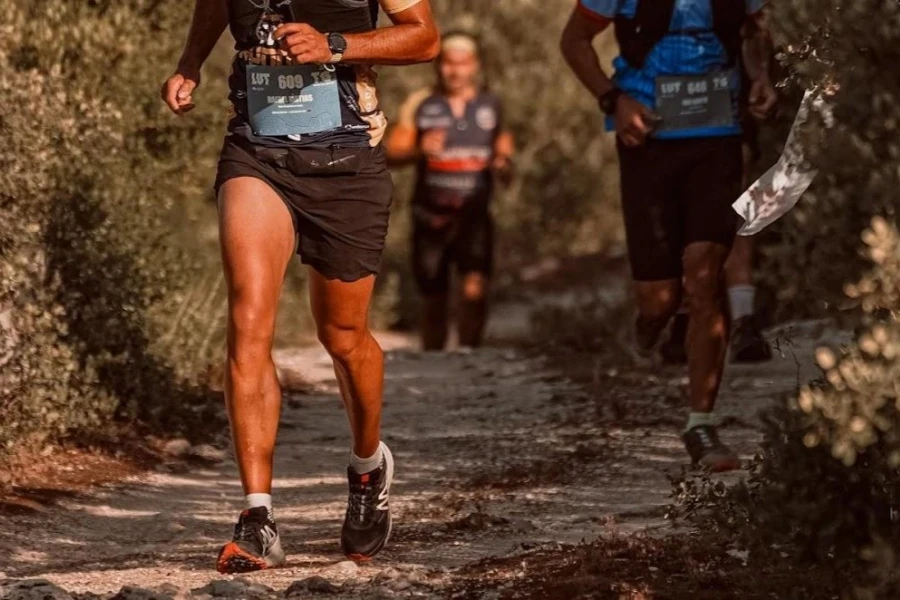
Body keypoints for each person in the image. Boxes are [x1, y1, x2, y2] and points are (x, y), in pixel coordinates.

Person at [162, 0, 439, 572]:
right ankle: (257, 517)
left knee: (342, 336)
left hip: (349, 164)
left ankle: (368, 466)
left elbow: (424, 38)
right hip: (257, 153)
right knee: (247, 320)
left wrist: (337, 45)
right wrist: (192, 60)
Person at [560, 0, 776, 471]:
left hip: (718, 136)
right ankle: (651, 323)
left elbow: (758, 29)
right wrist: (612, 98)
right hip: (648, 142)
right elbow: (574, 41)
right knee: (659, 299)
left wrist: (760, 76)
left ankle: (700, 422)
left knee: (704, 277)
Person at [384, 32, 514, 350]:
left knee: (474, 289)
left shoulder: (491, 104)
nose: (454, 71)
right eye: (448, 64)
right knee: (434, 296)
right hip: (430, 215)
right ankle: (436, 364)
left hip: (475, 214)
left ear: (475, 66)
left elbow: (506, 155)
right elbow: (391, 153)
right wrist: (418, 149)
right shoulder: (421, 103)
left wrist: (503, 165)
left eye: (462, 64)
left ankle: (470, 357)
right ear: (438, 66)